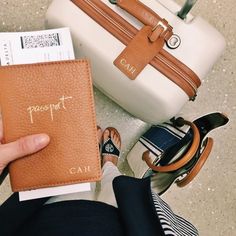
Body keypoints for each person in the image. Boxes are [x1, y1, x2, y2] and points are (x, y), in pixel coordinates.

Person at [0, 114, 198, 235]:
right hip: (127, 226)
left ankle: (87, 164)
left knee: (67, 185)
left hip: (50, 224)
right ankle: (108, 164)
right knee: (117, 188)